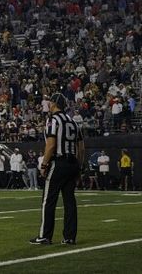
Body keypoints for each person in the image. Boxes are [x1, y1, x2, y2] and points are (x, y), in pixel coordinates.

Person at [30, 94, 83, 246]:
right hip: (72, 163)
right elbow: (81, 148)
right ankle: (69, 237)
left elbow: (51, 145)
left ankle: (45, 236)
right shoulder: (73, 122)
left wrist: (44, 164)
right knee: (69, 201)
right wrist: (78, 166)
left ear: (54, 104)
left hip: (59, 162)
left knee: (48, 200)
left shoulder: (53, 120)